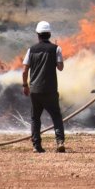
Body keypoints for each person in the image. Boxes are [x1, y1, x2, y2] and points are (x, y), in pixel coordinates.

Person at [22, 20, 66, 153]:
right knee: (56, 116)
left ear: (38, 35)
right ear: (49, 34)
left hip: (35, 90)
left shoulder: (31, 50)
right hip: (50, 89)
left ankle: (36, 145)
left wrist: (25, 85)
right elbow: (60, 68)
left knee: (35, 118)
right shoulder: (56, 49)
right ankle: (60, 141)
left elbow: (24, 70)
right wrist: (56, 58)